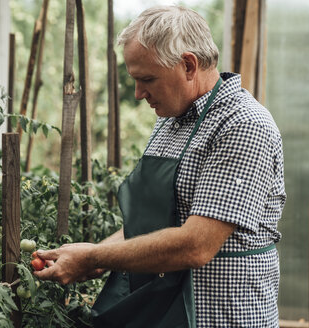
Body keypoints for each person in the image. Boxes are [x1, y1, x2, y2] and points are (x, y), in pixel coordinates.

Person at [34, 5, 286, 328]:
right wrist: (93, 258)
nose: (139, 94)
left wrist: (93, 257)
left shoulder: (243, 125)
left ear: (189, 66)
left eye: (147, 79)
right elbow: (154, 221)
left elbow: (196, 245)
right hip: (166, 312)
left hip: (221, 316)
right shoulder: (170, 120)